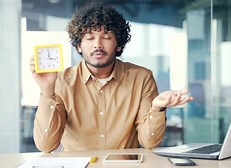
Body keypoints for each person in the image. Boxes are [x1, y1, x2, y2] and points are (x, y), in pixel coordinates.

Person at [30, 2, 193, 153]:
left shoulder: (142, 78)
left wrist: (157, 108)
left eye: (107, 37)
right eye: (89, 38)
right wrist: (46, 91)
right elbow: (46, 145)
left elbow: (149, 143)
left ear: (119, 44)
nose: (98, 45)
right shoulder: (61, 80)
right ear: (79, 45)